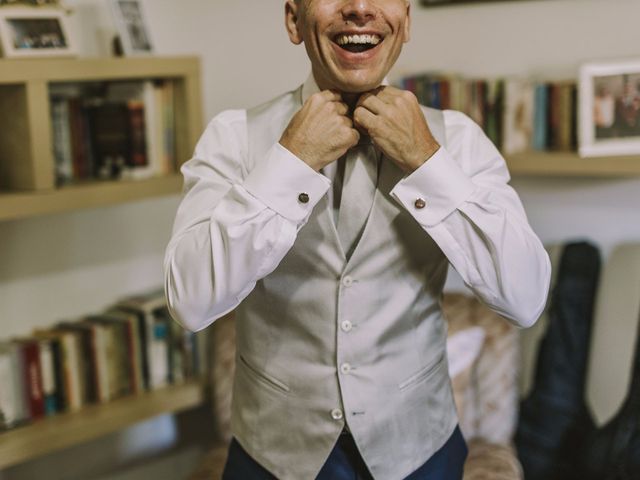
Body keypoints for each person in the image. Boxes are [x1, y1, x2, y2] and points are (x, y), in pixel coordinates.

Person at [164, 1, 551, 479]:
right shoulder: (232, 138)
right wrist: (290, 163)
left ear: (406, 21)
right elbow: (191, 302)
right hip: (273, 455)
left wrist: (427, 161)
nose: (361, 8)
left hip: (420, 451)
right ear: (293, 20)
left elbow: (526, 297)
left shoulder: (459, 141)